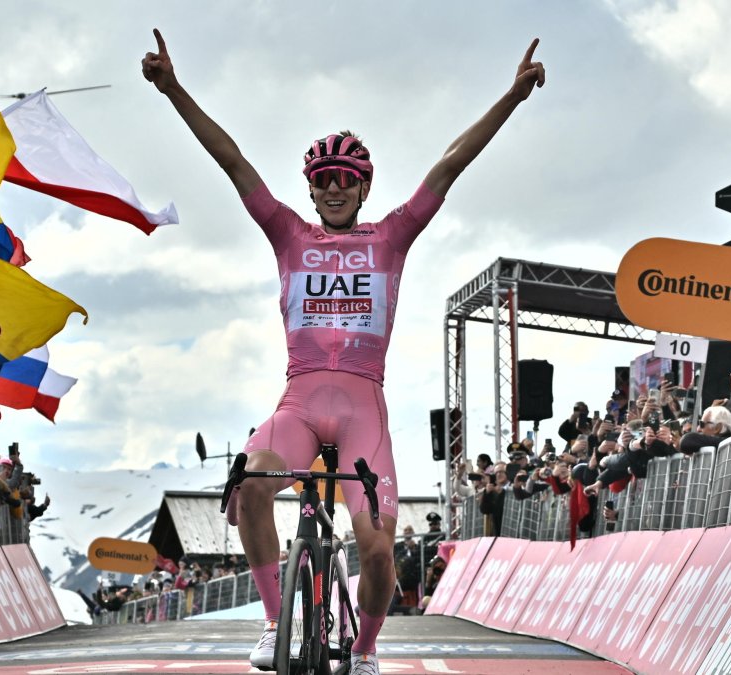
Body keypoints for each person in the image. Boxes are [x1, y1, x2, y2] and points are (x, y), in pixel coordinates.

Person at [143, 28, 545, 673]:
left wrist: (513, 97)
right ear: (311, 188)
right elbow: (234, 160)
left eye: (346, 180)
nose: (334, 188)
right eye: (324, 179)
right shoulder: (287, 234)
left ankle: (365, 648)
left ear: (363, 187)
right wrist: (172, 90)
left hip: (363, 407)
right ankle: (275, 621)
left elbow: (448, 165)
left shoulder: (391, 238)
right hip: (298, 400)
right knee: (248, 485)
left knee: (379, 552)